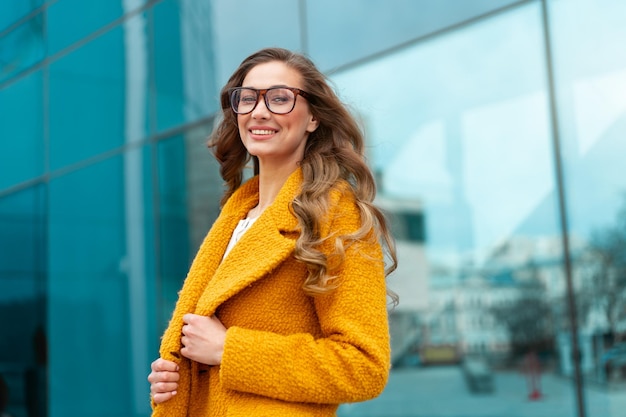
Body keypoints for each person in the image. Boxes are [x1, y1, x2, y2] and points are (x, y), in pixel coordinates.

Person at [148, 47, 398, 417]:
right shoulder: (237, 215)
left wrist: (229, 349)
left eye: (280, 98)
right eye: (247, 99)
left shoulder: (335, 214)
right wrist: (180, 377)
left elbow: (363, 366)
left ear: (313, 117)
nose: (259, 111)